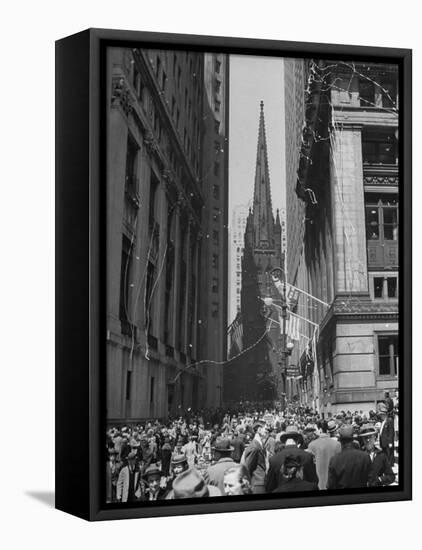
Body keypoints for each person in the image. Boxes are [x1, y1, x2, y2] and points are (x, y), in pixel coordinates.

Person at [265, 425, 317, 492]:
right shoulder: (307, 456)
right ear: (298, 440)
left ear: (284, 441)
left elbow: (269, 487)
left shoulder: (274, 459)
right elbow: (313, 480)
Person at [327, 425, 371, 490]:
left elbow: (331, 485)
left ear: (340, 440)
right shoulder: (365, 456)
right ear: (353, 439)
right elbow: (372, 480)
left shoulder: (334, 460)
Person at [307, 420, 341, 490]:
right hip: (333, 483)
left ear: (319, 429)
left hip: (318, 484)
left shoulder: (311, 445)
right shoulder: (337, 444)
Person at [242, 421, 268, 494]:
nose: (267, 431)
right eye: (265, 429)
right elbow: (247, 469)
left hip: (259, 483)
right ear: (259, 430)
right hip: (256, 484)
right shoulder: (255, 447)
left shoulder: (259, 445)